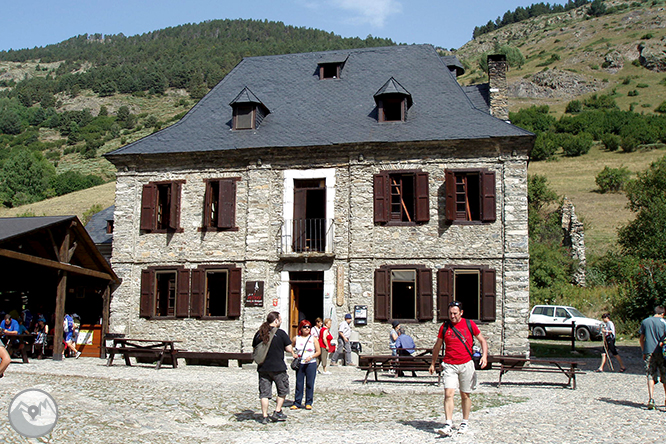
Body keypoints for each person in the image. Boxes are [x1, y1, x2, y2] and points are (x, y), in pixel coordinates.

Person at [429, 301, 488, 436]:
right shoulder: (444, 327)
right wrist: (433, 363)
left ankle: (464, 422)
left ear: (461, 313)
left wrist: (484, 356)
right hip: (449, 364)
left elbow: (482, 340)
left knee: (465, 394)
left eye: (455, 313)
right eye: (450, 313)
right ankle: (448, 423)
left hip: (466, 363)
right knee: (448, 393)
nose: (452, 316)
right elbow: (437, 346)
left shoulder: (469, 324)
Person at [252, 311, 293, 424]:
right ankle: (277, 411)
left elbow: (254, 348)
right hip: (278, 367)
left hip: (263, 367)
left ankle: (264, 416)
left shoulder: (259, 333)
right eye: (280, 319)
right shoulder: (281, 333)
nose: (281, 320)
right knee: (283, 389)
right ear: (276, 320)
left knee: (264, 393)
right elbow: (289, 349)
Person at [638, 306, 666, 410]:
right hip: (662, 352)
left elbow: (641, 339)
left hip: (649, 351)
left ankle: (651, 399)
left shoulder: (645, 322)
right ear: (662, 313)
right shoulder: (664, 322)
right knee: (664, 375)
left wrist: (643, 351)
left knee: (650, 374)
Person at [290, 320, 321, 410]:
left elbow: (318, 351)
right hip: (301, 363)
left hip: (310, 363)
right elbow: (290, 346)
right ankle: (297, 402)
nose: (307, 328)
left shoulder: (313, 339)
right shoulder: (296, 338)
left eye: (308, 327)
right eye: (305, 327)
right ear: (301, 328)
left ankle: (308, 402)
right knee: (299, 383)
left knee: (309, 383)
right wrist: (293, 354)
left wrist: (311, 357)